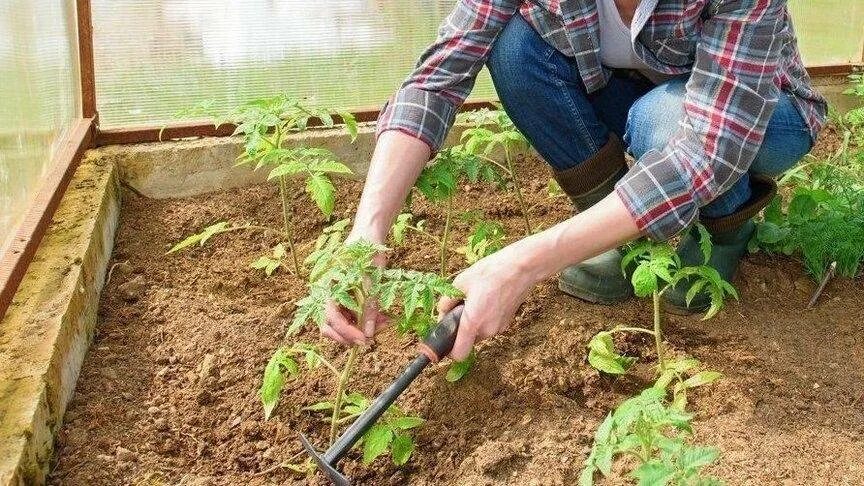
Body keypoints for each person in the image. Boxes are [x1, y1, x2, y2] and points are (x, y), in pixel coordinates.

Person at [319, 0, 827, 360]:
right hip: (638, 96)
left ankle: (723, 228)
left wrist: (522, 265)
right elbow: (437, 78)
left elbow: (708, 148)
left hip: (758, 116)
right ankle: (620, 238)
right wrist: (367, 236)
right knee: (516, 51)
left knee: (662, 122)